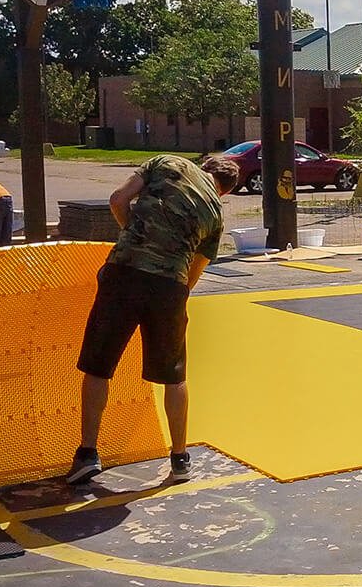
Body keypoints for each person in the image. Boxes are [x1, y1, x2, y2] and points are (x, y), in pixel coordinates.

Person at [68, 154, 240, 485]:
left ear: (204, 166)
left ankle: (87, 454)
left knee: (98, 366)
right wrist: (173, 294)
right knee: (174, 376)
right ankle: (179, 459)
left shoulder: (166, 163)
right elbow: (193, 274)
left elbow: (118, 199)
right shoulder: (215, 214)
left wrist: (136, 236)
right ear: (226, 192)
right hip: (169, 286)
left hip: (124, 272)